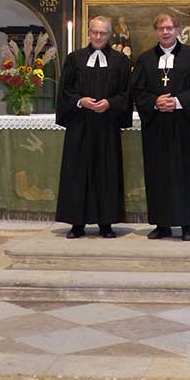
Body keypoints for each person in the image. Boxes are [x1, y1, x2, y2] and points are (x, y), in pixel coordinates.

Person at [132, 13, 190, 241]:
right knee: (159, 174)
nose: (165, 32)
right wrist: (155, 102)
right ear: (155, 31)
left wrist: (176, 102)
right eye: (161, 28)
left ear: (178, 30)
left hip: (186, 126)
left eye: (169, 28)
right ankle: (162, 224)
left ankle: (187, 225)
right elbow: (137, 90)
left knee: (188, 173)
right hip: (157, 127)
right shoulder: (145, 60)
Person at [55, 15, 133, 238]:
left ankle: (106, 223)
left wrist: (110, 103)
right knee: (77, 173)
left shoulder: (120, 61)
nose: (98, 37)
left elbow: (126, 93)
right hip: (80, 125)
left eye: (103, 33)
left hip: (107, 126)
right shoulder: (75, 59)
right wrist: (81, 101)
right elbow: (65, 91)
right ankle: (76, 223)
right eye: (95, 32)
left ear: (110, 35)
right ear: (88, 33)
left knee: (107, 173)